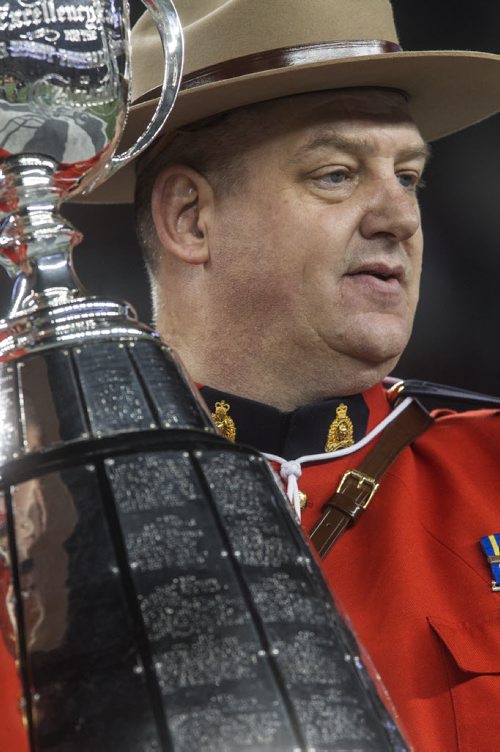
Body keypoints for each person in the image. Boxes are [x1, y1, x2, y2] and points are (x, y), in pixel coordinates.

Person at [1, 1, 499, 750]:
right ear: (191, 220)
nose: (399, 216)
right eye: (336, 175)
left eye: (409, 176)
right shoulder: (26, 527)